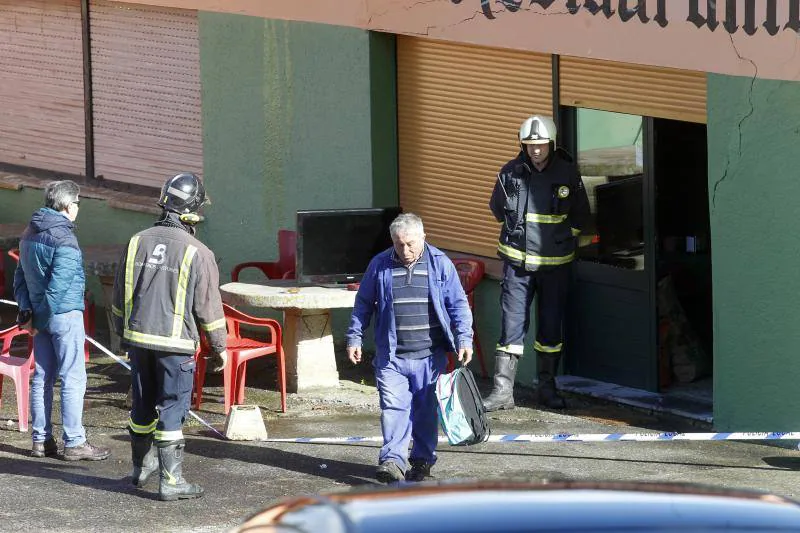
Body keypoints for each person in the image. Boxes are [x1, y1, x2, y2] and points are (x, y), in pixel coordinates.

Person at [112, 172, 228, 501]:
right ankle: (172, 481)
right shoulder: (198, 252)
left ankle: (140, 467)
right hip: (175, 348)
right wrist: (220, 348)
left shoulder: (137, 240)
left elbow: (120, 293)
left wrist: (122, 336)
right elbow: (209, 307)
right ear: (191, 211)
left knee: (142, 407)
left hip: (138, 340)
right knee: (173, 411)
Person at [346, 213, 473, 483]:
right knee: (393, 407)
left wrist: (464, 338)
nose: (405, 250)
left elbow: (458, 305)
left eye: (411, 244)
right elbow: (363, 304)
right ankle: (392, 461)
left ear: (423, 237)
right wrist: (354, 337)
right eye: (399, 244)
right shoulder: (380, 265)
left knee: (425, 411)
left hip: (429, 357)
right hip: (391, 355)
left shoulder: (440, 264)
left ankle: (422, 461)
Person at [483, 115, 590, 412]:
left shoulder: (568, 174)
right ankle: (503, 392)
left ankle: (547, 389)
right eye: (530, 146)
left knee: (550, 332)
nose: (536, 151)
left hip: (555, 267)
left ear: (551, 144)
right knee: (511, 328)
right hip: (517, 266)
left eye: (541, 145)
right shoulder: (510, 173)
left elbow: (581, 215)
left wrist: (561, 238)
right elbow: (497, 210)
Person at [13, 180, 110, 461]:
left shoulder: (29, 231)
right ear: (69, 206)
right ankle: (75, 442)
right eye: (78, 203)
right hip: (62, 315)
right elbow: (58, 287)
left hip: (39, 317)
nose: (78, 208)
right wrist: (38, 318)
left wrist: (27, 314)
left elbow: (20, 276)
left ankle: (41, 440)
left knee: (42, 376)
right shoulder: (65, 238)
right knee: (73, 377)